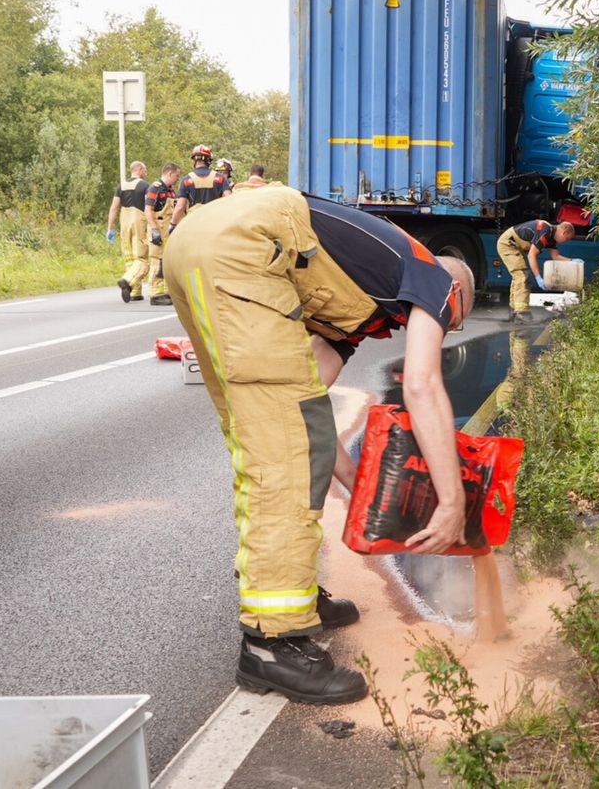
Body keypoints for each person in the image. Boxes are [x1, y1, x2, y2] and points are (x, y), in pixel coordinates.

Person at [164, 185, 475, 704]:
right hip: (246, 248)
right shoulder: (436, 277)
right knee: (284, 464)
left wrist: (359, 486)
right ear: (457, 292)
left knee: (270, 442)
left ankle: (294, 591)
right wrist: (452, 499)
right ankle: (273, 645)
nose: (439, 326)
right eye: (451, 322)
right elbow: (422, 386)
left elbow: (308, 402)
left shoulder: (366, 290)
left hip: (194, 243)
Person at [496, 219, 575, 321]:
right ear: (564, 232)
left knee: (519, 277)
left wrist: (572, 261)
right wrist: (538, 277)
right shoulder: (545, 231)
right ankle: (522, 312)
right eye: (567, 239)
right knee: (523, 276)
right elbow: (532, 255)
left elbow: (555, 256)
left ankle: (515, 310)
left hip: (514, 246)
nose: (566, 242)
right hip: (508, 244)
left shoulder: (551, 237)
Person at [106, 161, 150, 303]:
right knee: (141, 257)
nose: (146, 173)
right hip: (139, 221)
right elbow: (149, 206)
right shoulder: (145, 185)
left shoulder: (121, 186)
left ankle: (135, 292)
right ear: (139, 169)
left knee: (129, 257)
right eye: (145, 170)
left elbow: (114, 208)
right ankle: (127, 280)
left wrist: (110, 228)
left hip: (124, 222)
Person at [143, 162, 181, 306]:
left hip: (168, 231)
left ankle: (166, 292)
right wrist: (154, 230)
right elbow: (148, 210)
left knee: (167, 262)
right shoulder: (155, 188)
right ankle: (156, 294)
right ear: (170, 173)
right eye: (177, 175)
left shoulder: (171, 191)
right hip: (158, 229)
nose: (178, 178)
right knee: (157, 261)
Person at [169, 145, 230, 229]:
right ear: (209, 160)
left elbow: (180, 207)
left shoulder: (186, 180)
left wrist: (172, 224)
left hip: (194, 223)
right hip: (215, 223)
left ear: (194, 160)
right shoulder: (221, 178)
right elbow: (228, 200)